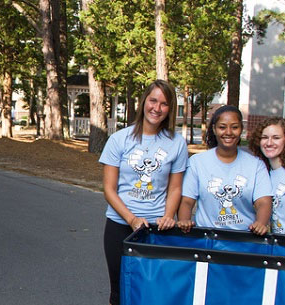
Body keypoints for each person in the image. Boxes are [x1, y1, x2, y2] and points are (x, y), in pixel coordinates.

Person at [98, 80, 188, 305]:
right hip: (120, 226)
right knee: (120, 293)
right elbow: (109, 189)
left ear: (170, 109)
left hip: (157, 229)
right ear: (144, 102)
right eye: (153, 100)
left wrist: (168, 216)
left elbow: (175, 187)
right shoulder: (119, 139)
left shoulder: (176, 143)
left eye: (164, 104)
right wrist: (132, 219)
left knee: (153, 293)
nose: (157, 108)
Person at [178, 105, 273, 235]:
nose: (228, 132)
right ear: (214, 129)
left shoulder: (256, 165)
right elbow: (187, 201)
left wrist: (261, 223)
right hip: (208, 239)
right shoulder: (197, 162)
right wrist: (184, 221)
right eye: (222, 127)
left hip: (245, 238)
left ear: (241, 129)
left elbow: (263, 202)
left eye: (234, 127)